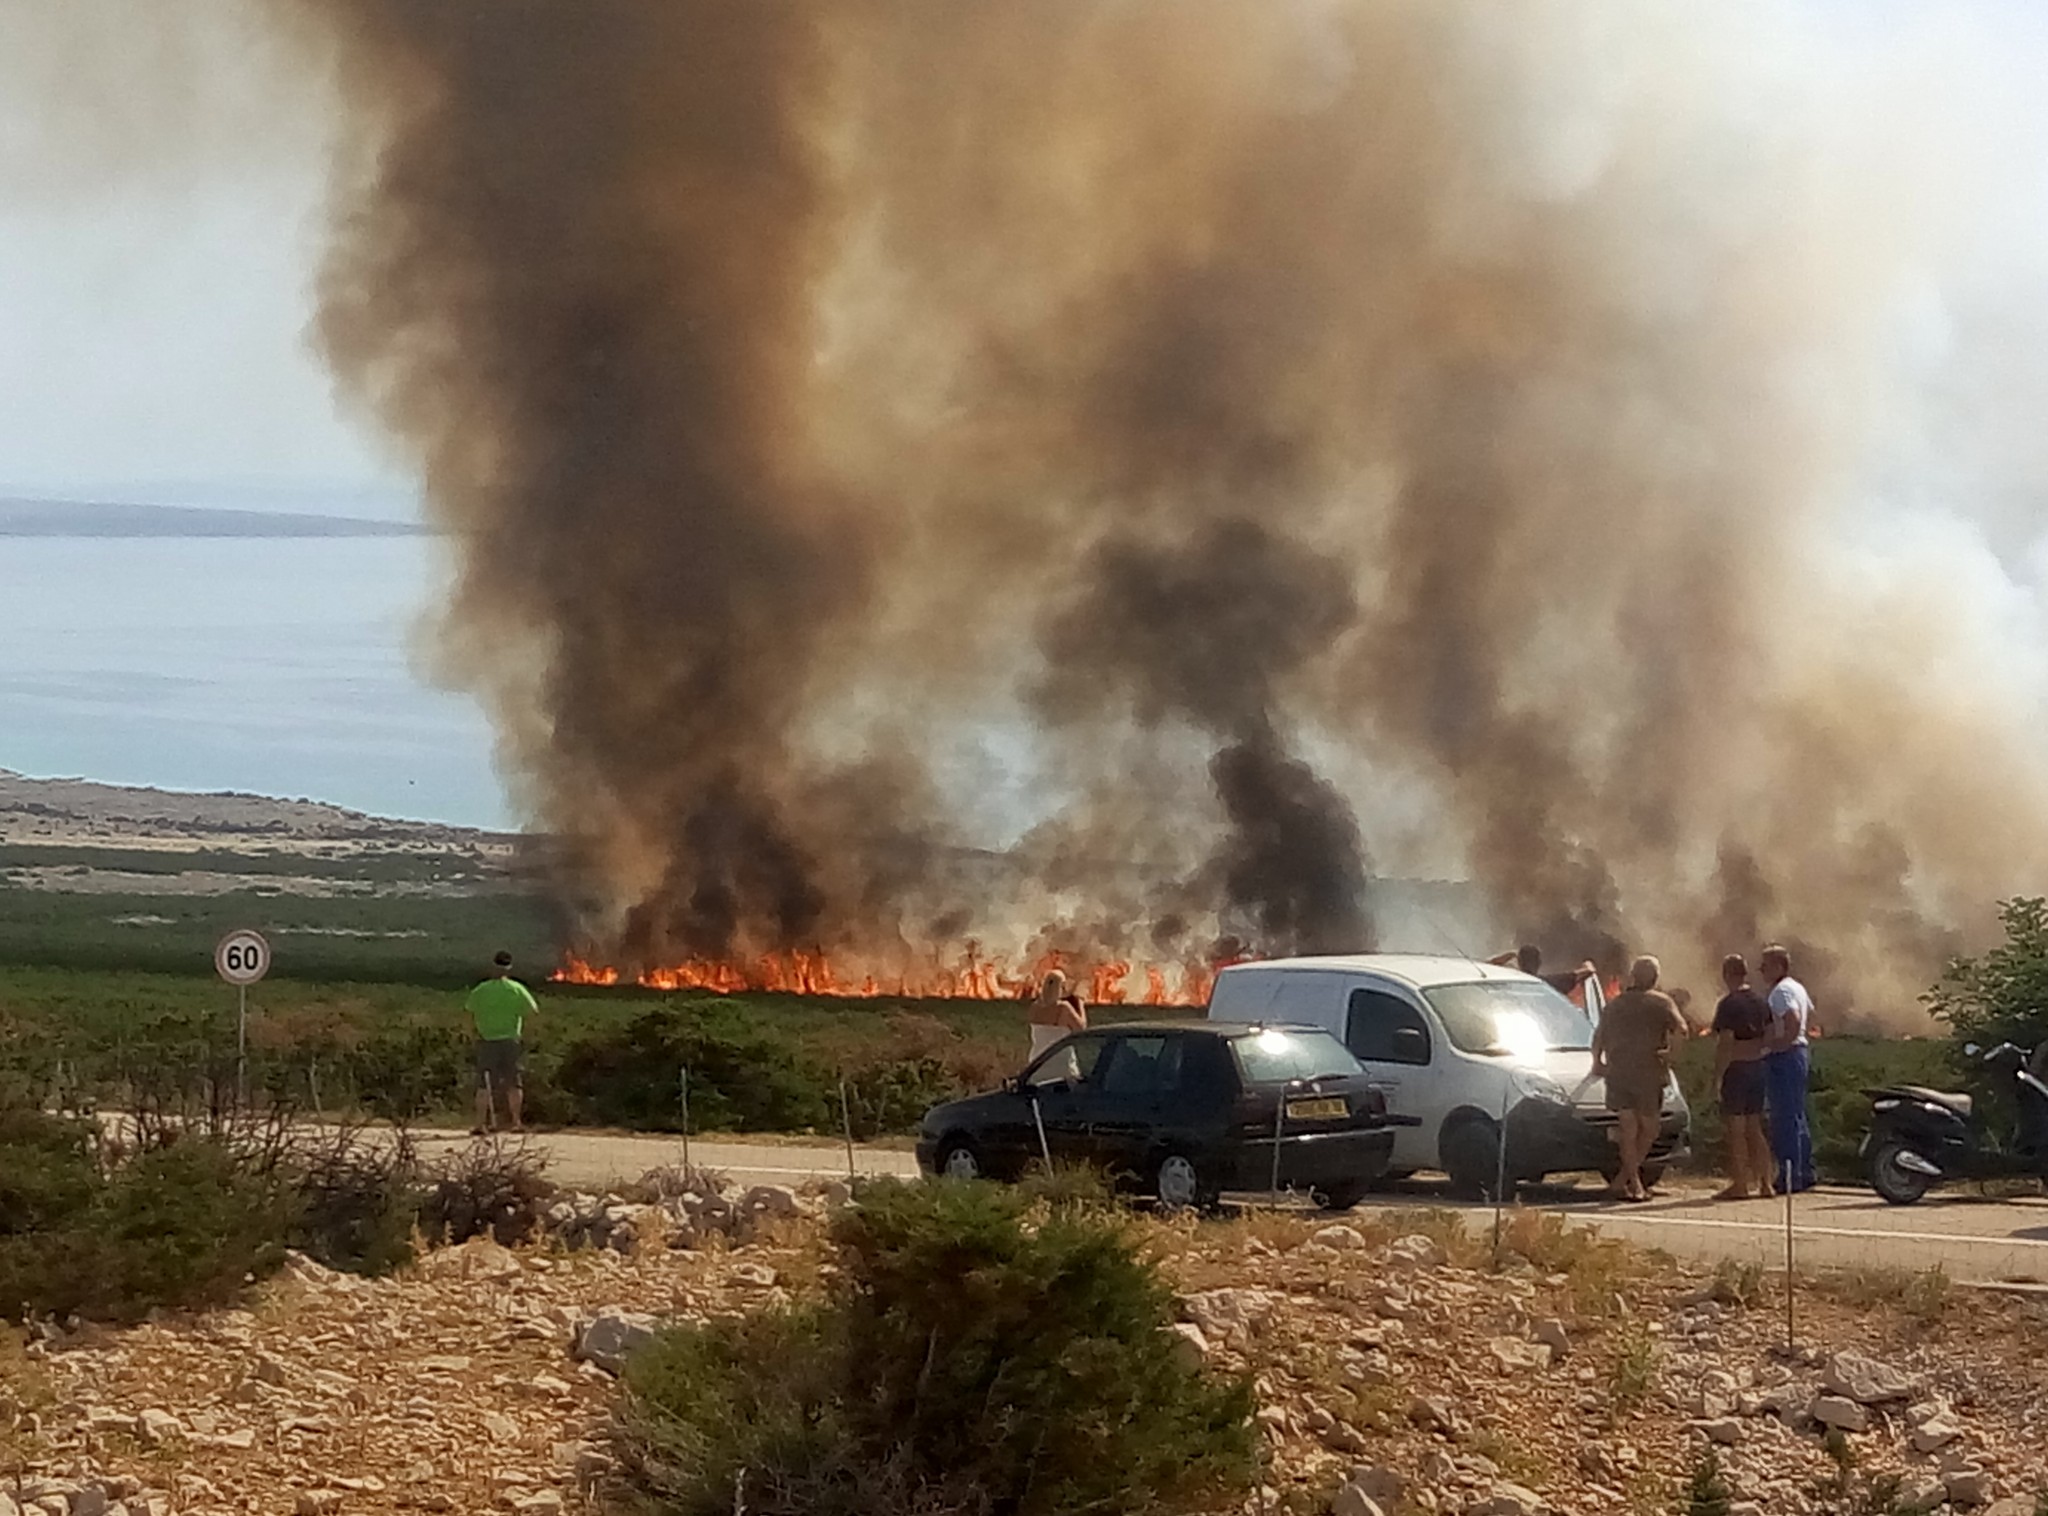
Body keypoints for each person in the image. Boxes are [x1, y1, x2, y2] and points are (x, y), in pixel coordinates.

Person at [1591, 955, 1689, 1202]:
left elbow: (1598, 1037)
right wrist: (1671, 1055)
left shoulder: (1615, 1004)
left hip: (1618, 1073)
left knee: (1628, 1129)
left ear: (1634, 976)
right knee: (1650, 1129)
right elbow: (1682, 1030)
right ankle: (1634, 1184)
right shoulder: (1661, 1002)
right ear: (1655, 978)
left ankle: (1624, 1181)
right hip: (1648, 1075)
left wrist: (1597, 1063)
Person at [1710, 954, 1775, 1201]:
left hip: (1736, 1070)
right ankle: (1766, 1183)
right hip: (1758, 1067)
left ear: (1727, 975)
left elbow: (1725, 1043)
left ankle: (1740, 1184)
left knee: (1736, 1130)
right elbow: (1769, 1033)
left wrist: (1717, 1076)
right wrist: (1758, 1051)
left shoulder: (1728, 1004)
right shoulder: (1760, 1001)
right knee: (1755, 1127)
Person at [1760, 943, 1817, 1193]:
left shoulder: (1780, 992)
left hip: (1786, 1057)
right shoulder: (1798, 987)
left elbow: (1792, 1020)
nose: (1761, 970)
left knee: (1784, 1118)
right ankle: (1805, 1171)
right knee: (1797, 1115)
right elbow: (1810, 1016)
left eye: (1765, 965)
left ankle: (1789, 1175)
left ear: (1779, 966)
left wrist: (1776, 1045)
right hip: (1799, 1054)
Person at [467, 950, 537, 1135]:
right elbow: (533, 1010)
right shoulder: (517, 989)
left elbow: (469, 1012)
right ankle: (516, 1122)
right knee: (514, 1082)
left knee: (484, 1083)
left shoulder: (481, 989)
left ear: (493, 966)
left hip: (487, 1040)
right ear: (509, 967)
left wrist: (476, 1030)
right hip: (511, 1040)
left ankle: (480, 1124)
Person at [1490, 944, 1599, 998]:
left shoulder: (1508, 983)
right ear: (1539, 963)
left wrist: (1510, 955)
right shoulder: (1546, 984)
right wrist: (1587, 962)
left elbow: (1484, 967)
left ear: (1519, 962)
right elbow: (1588, 971)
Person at [1027, 969, 1085, 1063]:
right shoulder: (1063, 1008)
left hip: (1037, 1061)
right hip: (1060, 1061)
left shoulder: (1034, 1007)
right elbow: (1081, 1028)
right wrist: (1080, 1004)